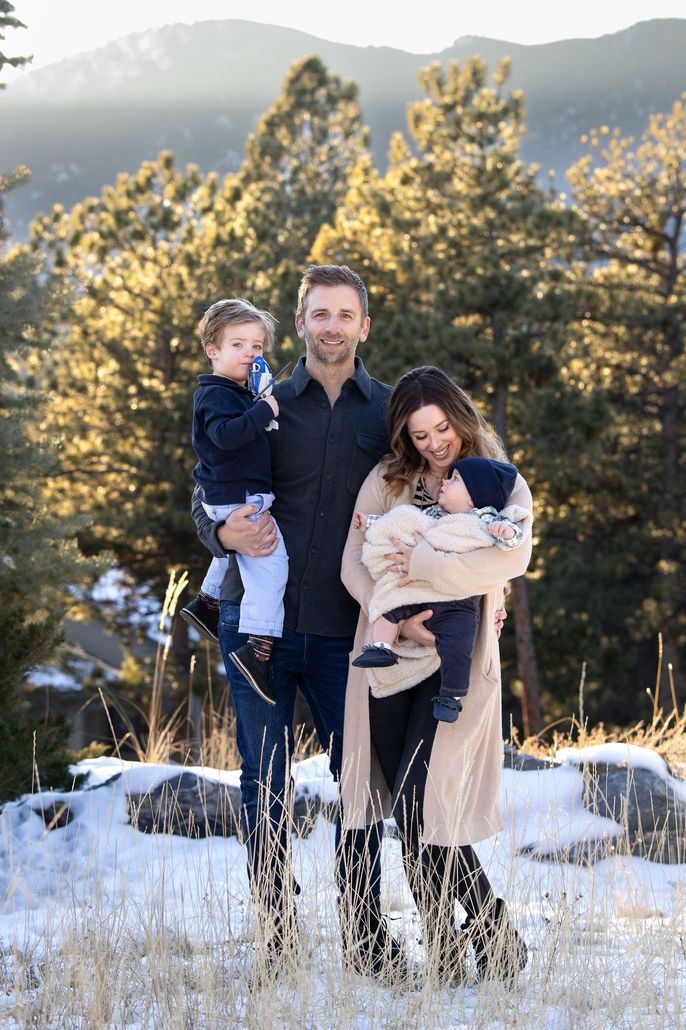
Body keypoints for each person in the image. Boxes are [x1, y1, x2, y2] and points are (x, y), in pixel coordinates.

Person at [190, 266, 400, 974]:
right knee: (265, 780)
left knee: (362, 782)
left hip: (352, 634)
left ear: (363, 325)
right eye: (319, 314)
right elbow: (207, 491)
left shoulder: (389, 413)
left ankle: (367, 938)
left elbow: (440, 497)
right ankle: (277, 935)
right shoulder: (263, 403)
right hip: (262, 632)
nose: (332, 326)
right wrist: (220, 537)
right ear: (302, 321)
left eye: (346, 315)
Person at [340, 365, 532, 987]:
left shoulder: (496, 479)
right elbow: (354, 565)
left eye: (442, 428)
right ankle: (457, 947)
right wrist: (397, 616)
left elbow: (508, 558)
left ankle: (487, 933)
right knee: (406, 807)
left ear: (460, 417)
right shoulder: (386, 479)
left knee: (429, 803)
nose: (434, 443)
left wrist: (422, 562)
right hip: (390, 662)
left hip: (456, 663)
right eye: (420, 435)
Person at [351, 456, 531, 722]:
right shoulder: (435, 514)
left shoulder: (486, 518)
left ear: (473, 497)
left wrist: (504, 531)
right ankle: (381, 647)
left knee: (458, 648)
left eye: (456, 480)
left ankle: (451, 697)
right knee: (389, 607)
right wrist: (369, 523)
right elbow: (404, 525)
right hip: (423, 591)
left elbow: (514, 540)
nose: (446, 482)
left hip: (458, 602)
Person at [180, 298, 288, 705]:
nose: (250, 354)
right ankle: (257, 650)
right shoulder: (216, 396)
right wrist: (264, 413)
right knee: (272, 565)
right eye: (238, 345)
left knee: (236, 552)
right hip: (238, 498)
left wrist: (260, 408)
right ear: (213, 350)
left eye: (257, 347)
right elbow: (225, 437)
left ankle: (207, 601)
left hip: (232, 494)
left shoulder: (237, 393)